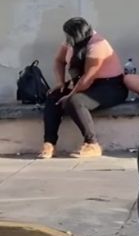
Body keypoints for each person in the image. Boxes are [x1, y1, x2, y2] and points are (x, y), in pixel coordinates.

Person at [39, 18, 127, 159]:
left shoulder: (97, 45)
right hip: (84, 83)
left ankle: (92, 144)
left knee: (74, 101)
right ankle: (49, 143)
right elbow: (58, 61)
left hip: (109, 86)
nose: (67, 39)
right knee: (54, 96)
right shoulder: (70, 42)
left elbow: (87, 78)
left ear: (78, 34)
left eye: (69, 35)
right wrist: (60, 83)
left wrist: (69, 95)